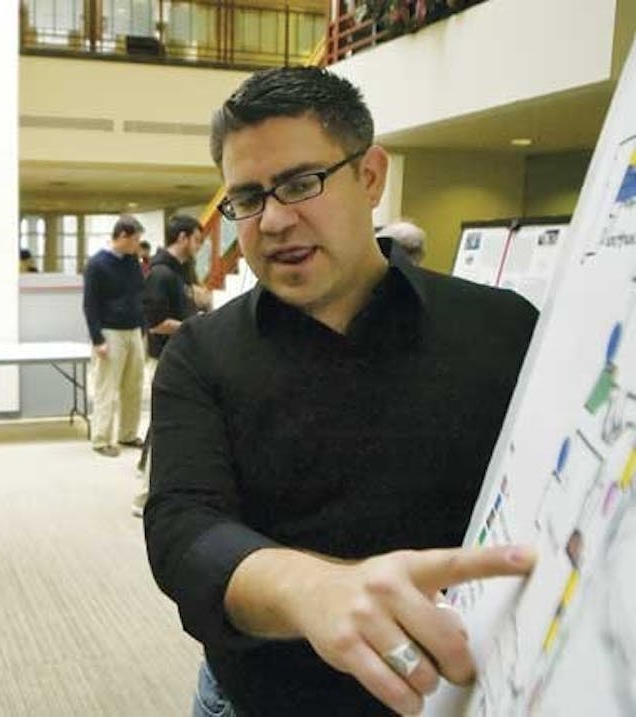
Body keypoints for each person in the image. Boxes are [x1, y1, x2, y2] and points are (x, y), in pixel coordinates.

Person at [143, 66, 539, 716]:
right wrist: (317, 590)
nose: (272, 220)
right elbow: (184, 528)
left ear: (371, 175)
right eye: (247, 197)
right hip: (264, 697)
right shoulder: (200, 355)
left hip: (466, 689)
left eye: (301, 183)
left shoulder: (503, 328)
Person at [132, 214, 204, 516]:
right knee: (164, 426)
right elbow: (156, 323)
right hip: (165, 358)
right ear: (183, 237)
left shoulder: (180, 272)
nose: (200, 246)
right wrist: (195, 325)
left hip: (182, 356)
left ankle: (154, 485)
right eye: (198, 240)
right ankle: (147, 494)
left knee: (168, 425)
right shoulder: (161, 274)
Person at [82, 215, 146, 457]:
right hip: (109, 332)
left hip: (133, 331)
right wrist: (97, 338)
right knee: (107, 387)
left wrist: (142, 328)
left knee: (134, 385)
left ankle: (127, 434)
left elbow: (139, 292)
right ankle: (100, 439)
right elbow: (90, 304)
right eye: (135, 240)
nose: (137, 245)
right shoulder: (97, 264)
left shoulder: (132, 261)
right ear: (122, 236)